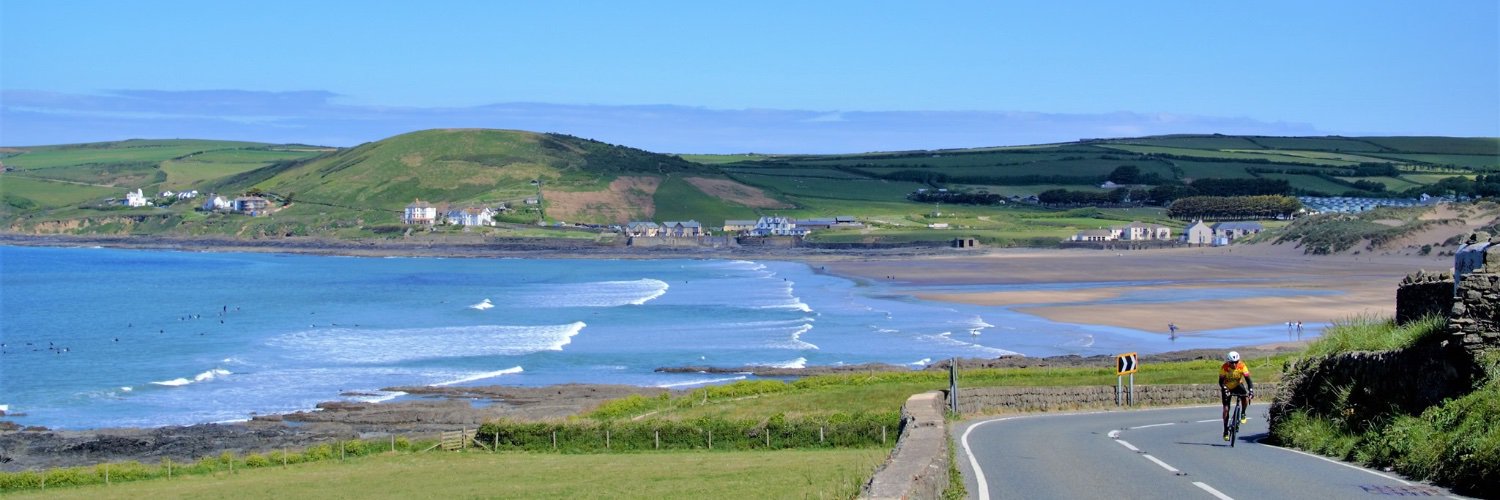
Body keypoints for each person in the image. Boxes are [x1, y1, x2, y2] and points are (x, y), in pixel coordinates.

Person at [1219, 350, 1254, 441]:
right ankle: (1226, 430)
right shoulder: (1224, 367)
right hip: (1227, 387)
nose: (1234, 365)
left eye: (1236, 362)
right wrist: (1225, 388)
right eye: (1232, 363)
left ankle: (1243, 413)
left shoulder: (1242, 366)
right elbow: (1220, 382)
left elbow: (1248, 379)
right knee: (1226, 409)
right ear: (1228, 362)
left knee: (1245, 397)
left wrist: (1251, 390)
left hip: (1238, 385)